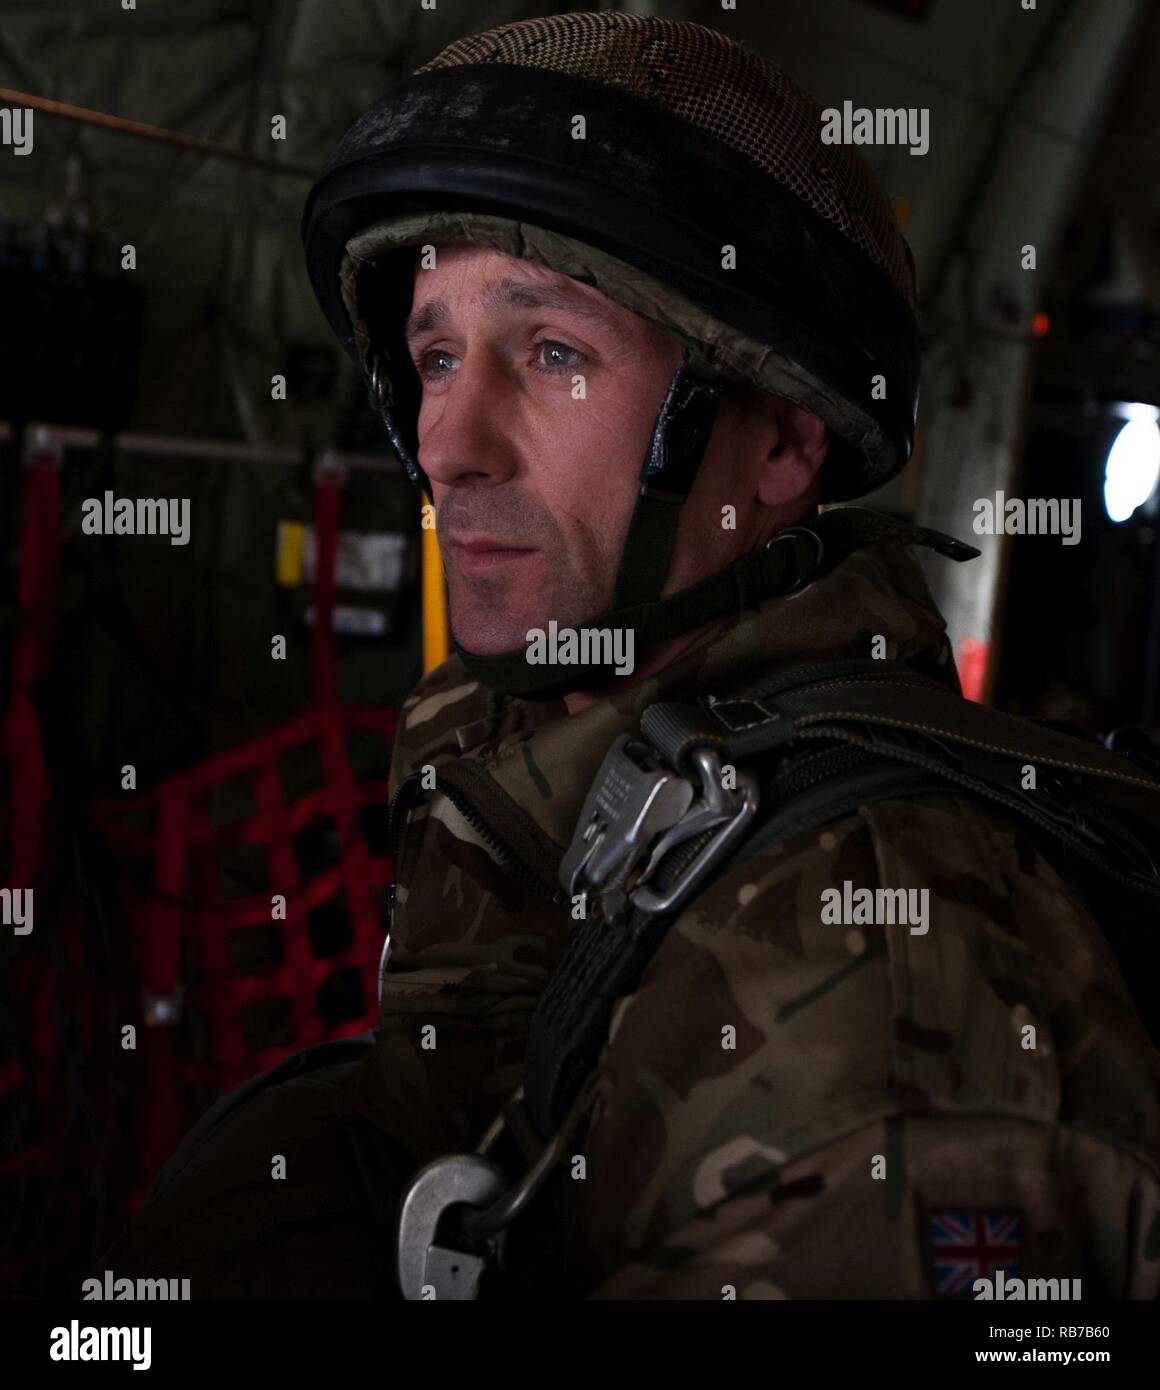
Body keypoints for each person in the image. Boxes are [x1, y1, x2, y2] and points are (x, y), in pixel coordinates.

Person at [97, 11, 1160, 1300]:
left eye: (552, 355)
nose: (448, 444)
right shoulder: (520, 750)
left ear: (779, 443)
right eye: (436, 356)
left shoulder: (877, 990)